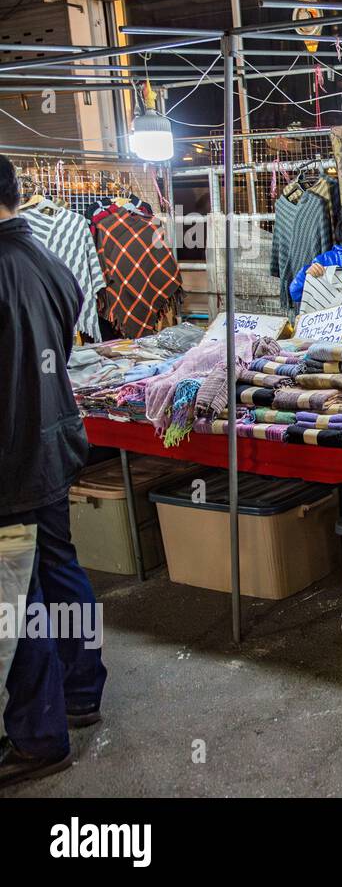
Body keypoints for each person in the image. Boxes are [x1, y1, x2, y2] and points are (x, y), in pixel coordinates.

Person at [0, 154, 108, 790]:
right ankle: (82, 691)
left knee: (18, 595)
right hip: (54, 440)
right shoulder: (52, 264)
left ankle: (39, 737)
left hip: (12, 459)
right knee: (59, 567)